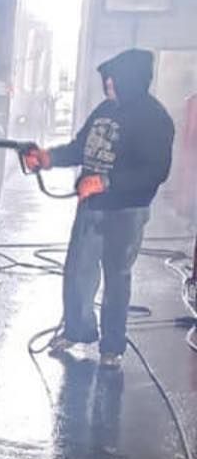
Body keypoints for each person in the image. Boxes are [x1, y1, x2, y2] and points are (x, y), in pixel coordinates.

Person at [22, 48, 174, 368]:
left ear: (132, 80)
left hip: (126, 212)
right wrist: (49, 158)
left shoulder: (155, 118)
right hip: (91, 207)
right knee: (78, 271)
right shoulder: (105, 110)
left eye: (113, 79)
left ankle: (112, 346)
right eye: (107, 79)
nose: (108, 85)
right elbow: (81, 147)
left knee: (116, 277)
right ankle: (77, 330)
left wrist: (106, 182)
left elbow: (155, 171)